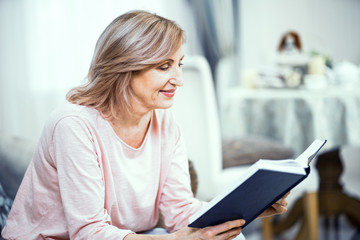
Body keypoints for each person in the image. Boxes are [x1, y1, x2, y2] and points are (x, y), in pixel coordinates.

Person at [1, 10, 289, 240]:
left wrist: (249, 207)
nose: (179, 79)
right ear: (125, 66)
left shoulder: (164, 121)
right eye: (164, 66)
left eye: (179, 64)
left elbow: (180, 210)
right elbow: (88, 232)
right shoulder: (74, 125)